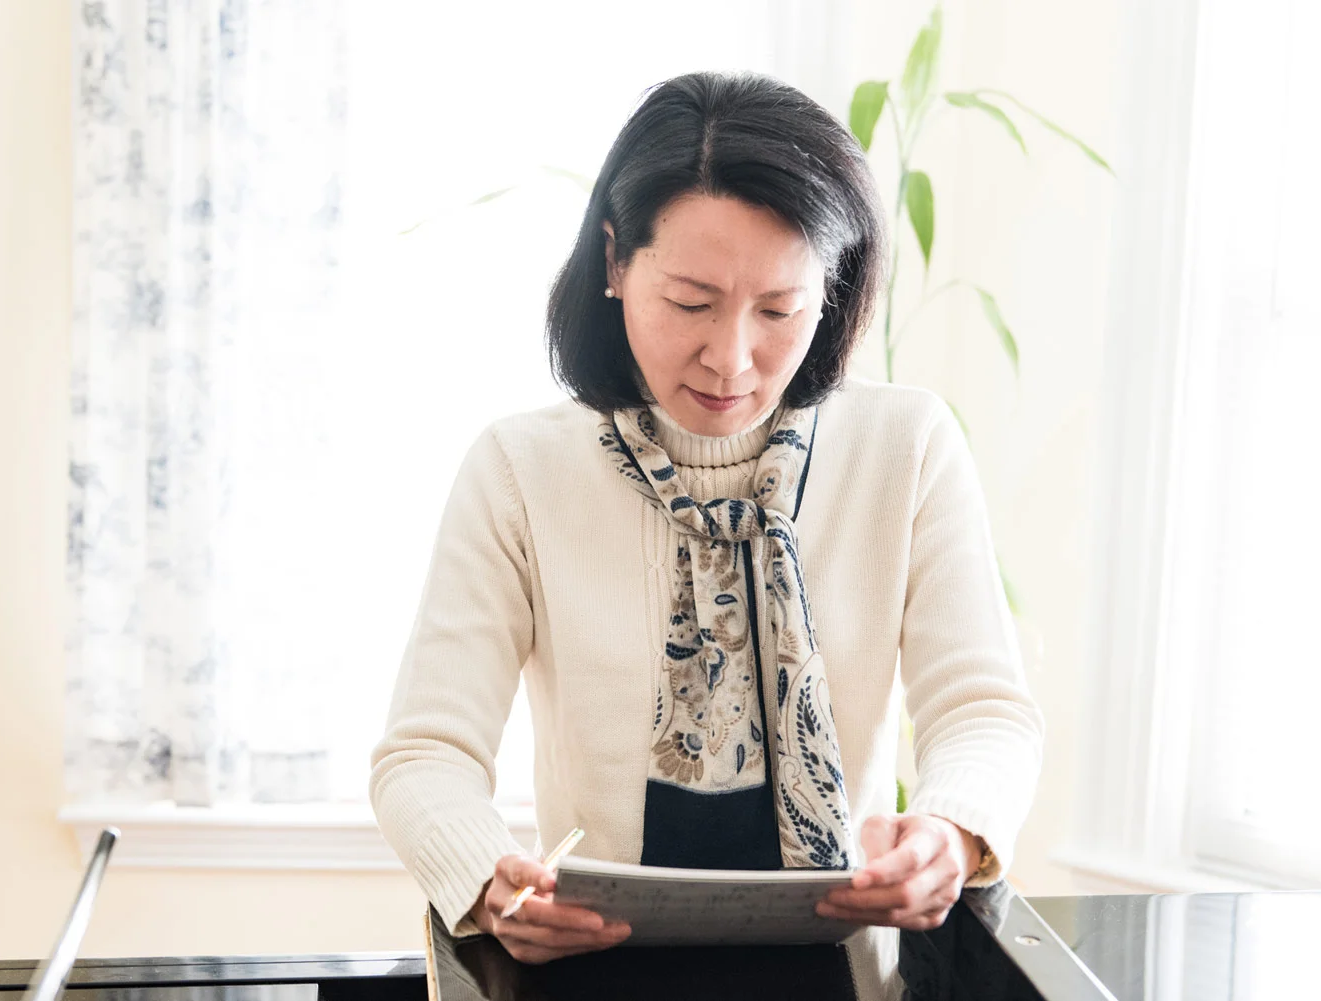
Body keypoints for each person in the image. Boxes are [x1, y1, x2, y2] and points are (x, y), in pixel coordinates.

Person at [370, 70, 1044, 998]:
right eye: (691, 302)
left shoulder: (908, 446)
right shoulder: (520, 469)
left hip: (849, 975)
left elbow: (983, 711)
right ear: (615, 261)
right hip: (592, 975)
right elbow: (425, 751)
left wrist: (950, 831)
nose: (732, 359)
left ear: (833, 285)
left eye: (779, 309)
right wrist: (489, 879)